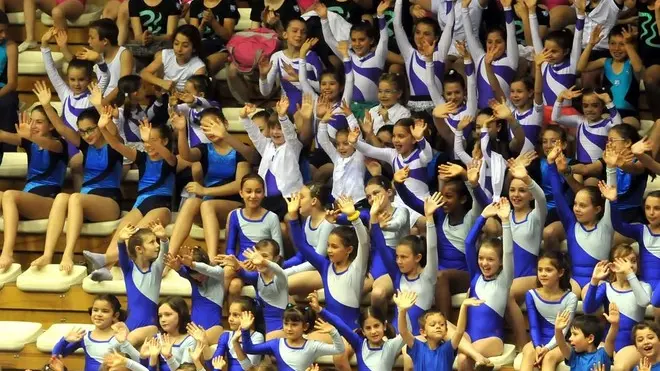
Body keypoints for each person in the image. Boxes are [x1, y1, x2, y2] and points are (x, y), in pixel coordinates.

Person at [0, 109, 68, 271]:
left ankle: (7, 252)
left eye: (39, 122)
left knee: (9, 195)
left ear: (51, 126)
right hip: (27, 201)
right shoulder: (30, 143)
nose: (33, 125)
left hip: (48, 203)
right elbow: (3, 135)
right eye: (31, 121)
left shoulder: (60, 144)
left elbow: (48, 144)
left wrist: (30, 136)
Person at [395, 291, 483, 370]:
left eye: (442, 324)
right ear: (423, 332)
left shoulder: (448, 348)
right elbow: (403, 331)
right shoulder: (417, 347)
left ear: (446, 330)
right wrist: (402, 310)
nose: (438, 327)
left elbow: (460, 331)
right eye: (433, 325)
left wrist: (463, 306)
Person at [238, 306, 346, 370]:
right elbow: (249, 349)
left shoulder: (312, 346)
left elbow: (339, 349)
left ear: (305, 326)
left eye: (294, 325)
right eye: (286, 324)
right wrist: (245, 330)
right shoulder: (276, 344)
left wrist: (333, 332)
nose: (289, 328)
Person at [553, 307, 620, 370]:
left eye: (575, 334)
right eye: (571, 334)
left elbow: (610, 340)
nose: (570, 338)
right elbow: (561, 344)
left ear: (590, 338)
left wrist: (614, 325)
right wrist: (558, 330)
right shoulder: (574, 356)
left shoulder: (603, 355)